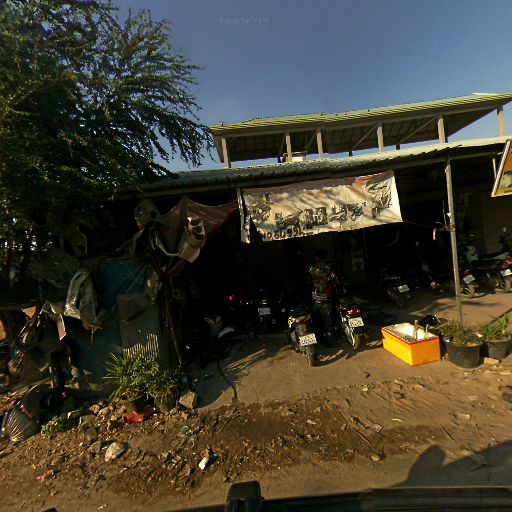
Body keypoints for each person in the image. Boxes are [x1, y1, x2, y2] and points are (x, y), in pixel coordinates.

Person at [309, 249, 338, 346]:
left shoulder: (312, 268)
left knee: (316, 321)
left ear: (317, 258)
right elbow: (335, 282)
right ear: (325, 258)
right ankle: (329, 342)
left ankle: (317, 340)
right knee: (327, 322)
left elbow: (308, 282)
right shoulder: (329, 268)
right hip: (326, 299)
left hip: (315, 298)